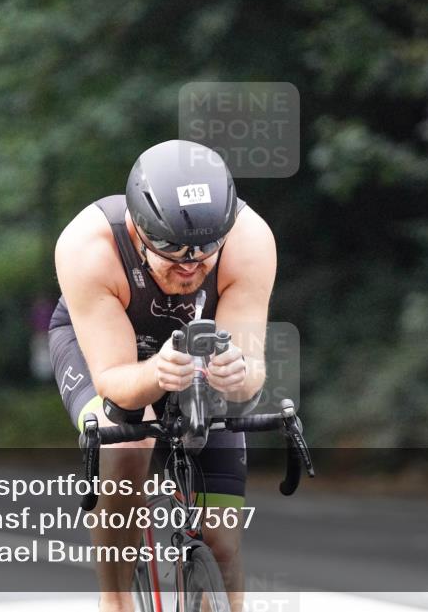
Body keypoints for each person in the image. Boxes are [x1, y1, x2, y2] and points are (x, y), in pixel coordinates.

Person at [48, 139, 277, 612]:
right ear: (137, 229)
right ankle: (115, 600)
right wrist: (157, 371)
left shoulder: (250, 239)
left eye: (206, 250)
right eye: (172, 250)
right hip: (105, 348)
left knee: (222, 544)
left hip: (193, 349)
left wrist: (238, 373)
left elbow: (251, 375)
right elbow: (114, 380)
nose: (191, 265)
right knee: (128, 443)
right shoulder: (89, 246)